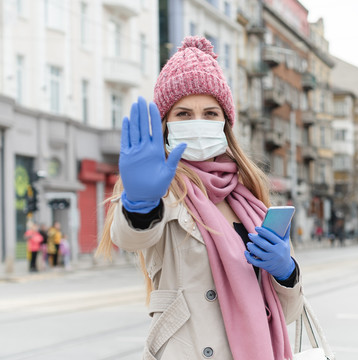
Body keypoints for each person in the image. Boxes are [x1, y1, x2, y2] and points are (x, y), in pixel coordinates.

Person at [96, 36, 303, 359]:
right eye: (183, 114)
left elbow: (285, 314)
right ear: (165, 123)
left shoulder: (248, 195)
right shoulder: (157, 185)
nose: (198, 123)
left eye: (210, 113)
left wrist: (286, 272)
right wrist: (140, 205)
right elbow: (132, 238)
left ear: (225, 123)